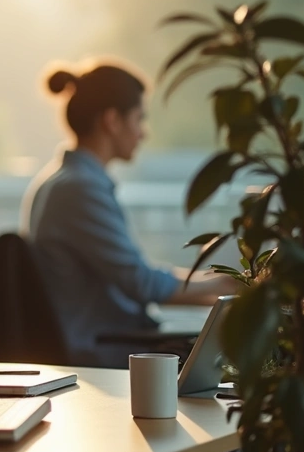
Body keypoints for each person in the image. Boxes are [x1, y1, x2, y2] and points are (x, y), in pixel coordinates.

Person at [22, 62, 238, 368]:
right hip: (105, 348)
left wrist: (215, 282)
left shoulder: (61, 181)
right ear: (111, 120)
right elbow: (140, 283)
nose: (143, 133)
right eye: (139, 118)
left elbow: (137, 274)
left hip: (106, 337)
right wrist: (222, 285)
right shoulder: (80, 190)